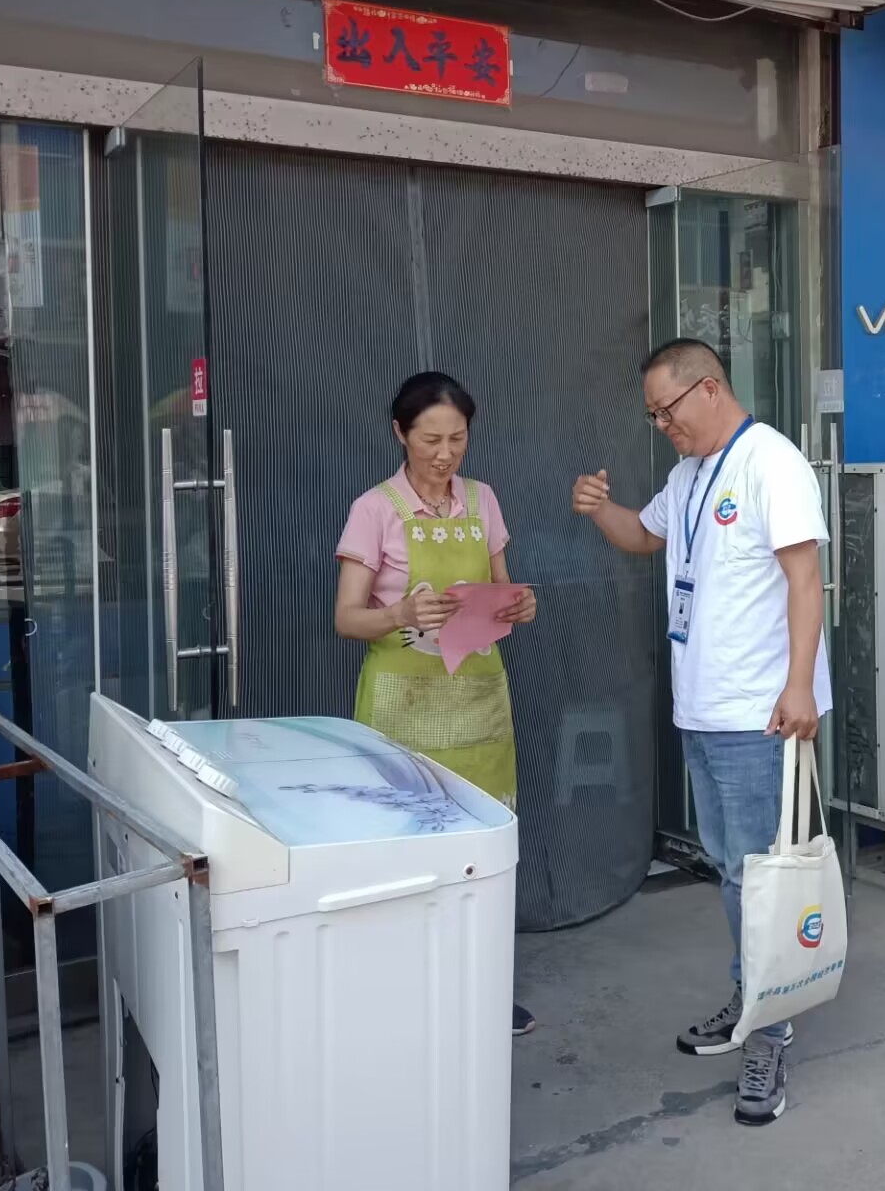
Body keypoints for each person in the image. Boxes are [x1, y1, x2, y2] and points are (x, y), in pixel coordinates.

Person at [571, 338, 830, 1128]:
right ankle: (751, 999)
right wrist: (599, 509)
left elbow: (806, 578)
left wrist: (798, 686)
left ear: (709, 388)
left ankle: (770, 1035)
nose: (662, 426)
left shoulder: (770, 463)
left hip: (760, 713)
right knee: (731, 870)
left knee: (761, 877)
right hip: (704, 708)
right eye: (652, 416)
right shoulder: (688, 476)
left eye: (667, 410)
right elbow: (644, 538)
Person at [334, 371, 539, 1036]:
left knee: (481, 851)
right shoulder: (375, 509)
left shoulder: (483, 501)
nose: (445, 454)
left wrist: (519, 606)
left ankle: (482, 991)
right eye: (430, 440)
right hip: (403, 708)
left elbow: (502, 592)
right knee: (407, 851)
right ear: (400, 433)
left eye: (457, 439)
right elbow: (347, 618)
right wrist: (399, 613)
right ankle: (407, 998)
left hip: (478, 703)